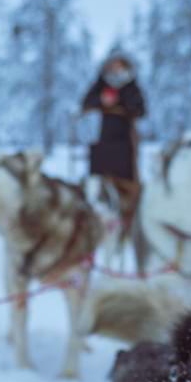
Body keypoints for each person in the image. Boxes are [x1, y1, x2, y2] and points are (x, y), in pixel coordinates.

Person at [81, 53, 147, 251]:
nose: (116, 71)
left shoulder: (131, 86)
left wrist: (118, 102)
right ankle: (98, 222)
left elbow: (140, 109)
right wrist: (102, 101)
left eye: (119, 67)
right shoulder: (101, 84)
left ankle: (129, 223)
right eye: (113, 67)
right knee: (99, 182)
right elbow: (87, 102)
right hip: (104, 141)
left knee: (127, 184)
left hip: (126, 142)